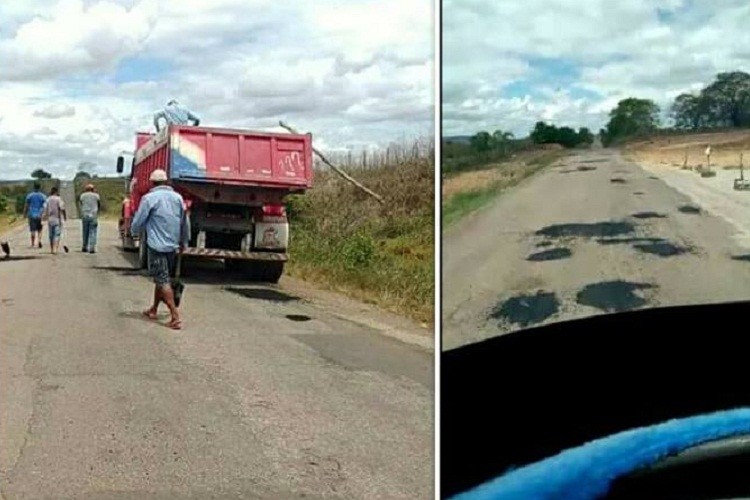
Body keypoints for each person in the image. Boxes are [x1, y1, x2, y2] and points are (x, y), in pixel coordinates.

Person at [130, 169, 190, 330]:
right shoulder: (178, 198)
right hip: (172, 245)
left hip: (156, 245)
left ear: (152, 183)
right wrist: (184, 240)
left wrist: (134, 232)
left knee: (162, 279)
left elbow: (139, 219)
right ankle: (154, 309)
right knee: (162, 275)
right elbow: (185, 221)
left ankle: (175, 316)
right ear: (166, 182)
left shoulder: (149, 198)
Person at [42, 186, 66, 254]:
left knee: (51, 235)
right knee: (57, 235)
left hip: (50, 219)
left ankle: (52, 249)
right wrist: (64, 216)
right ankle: (55, 249)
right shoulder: (59, 199)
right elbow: (62, 208)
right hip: (57, 219)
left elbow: (45, 208)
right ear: (56, 192)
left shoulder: (48, 199)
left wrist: (43, 217)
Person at [23, 182, 46, 248]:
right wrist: (45, 214)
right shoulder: (43, 196)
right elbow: (45, 206)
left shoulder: (29, 196)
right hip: (40, 215)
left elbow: (26, 206)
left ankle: (33, 244)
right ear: (39, 187)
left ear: (34, 187)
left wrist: (24, 214)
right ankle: (39, 241)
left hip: (31, 214)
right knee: (40, 229)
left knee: (32, 230)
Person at [79, 183, 101, 253]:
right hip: (93, 215)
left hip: (85, 215)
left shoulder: (82, 195)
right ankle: (92, 247)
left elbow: (81, 203)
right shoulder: (96, 196)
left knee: (85, 231)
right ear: (93, 189)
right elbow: (98, 204)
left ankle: (84, 246)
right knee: (93, 231)